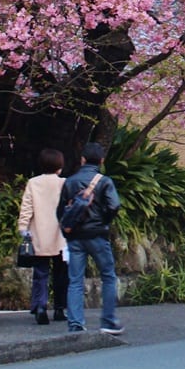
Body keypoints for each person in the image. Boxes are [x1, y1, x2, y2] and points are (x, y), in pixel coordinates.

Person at [57, 141, 123, 334]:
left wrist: (67, 231)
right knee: (108, 276)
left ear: (82, 159)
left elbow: (60, 210)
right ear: (101, 161)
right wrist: (104, 222)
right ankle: (108, 321)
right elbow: (114, 206)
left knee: (75, 280)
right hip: (97, 236)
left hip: (75, 237)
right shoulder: (104, 182)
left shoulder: (69, 182)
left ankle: (75, 323)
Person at [18, 148, 69, 324]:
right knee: (61, 274)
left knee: (41, 273)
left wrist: (23, 228)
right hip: (61, 236)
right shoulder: (65, 183)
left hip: (38, 234)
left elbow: (26, 207)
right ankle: (60, 309)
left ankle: (40, 307)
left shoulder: (33, 183)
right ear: (60, 166)